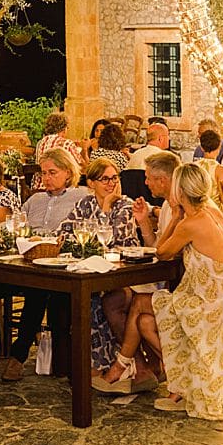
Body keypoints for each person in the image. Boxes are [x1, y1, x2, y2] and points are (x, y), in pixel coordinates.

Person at [98, 164, 223, 420]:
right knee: (143, 319)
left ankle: (122, 366)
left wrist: (176, 215)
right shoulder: (212, 211)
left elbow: (162, 252)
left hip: (210, 305)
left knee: (141, 304)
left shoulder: (191, 222)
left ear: (180, 190)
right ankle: (173, 385)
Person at [4, 149, 89, 381]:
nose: (46, 178)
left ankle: (20, 356)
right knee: (36, 288)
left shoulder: (81, 196)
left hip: (63, 265)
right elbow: (18, 226)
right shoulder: (35, 199)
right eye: (43, 173)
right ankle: (26, 356)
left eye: (53, 172)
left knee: (39, 292)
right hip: (30, 261)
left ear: (68, 173)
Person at [58, 158, 143, 374]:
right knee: (75, 298)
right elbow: (64, 233)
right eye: (104, 179)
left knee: (102, 299)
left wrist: (106, 209)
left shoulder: (125, 205)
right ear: (92, 183)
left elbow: (117, 241)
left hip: (126, 274)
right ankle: (88, 364)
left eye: (114, 178)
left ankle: (110, 364)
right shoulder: (84, 204)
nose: (111, 183)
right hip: (92, 271)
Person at [131, 151, 182, 247]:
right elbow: (155, 245)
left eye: (148, 178)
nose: (146, 183)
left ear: (162, 181)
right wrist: (143, 221)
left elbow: (166, 253)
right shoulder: (167, 205)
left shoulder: (184, 207)